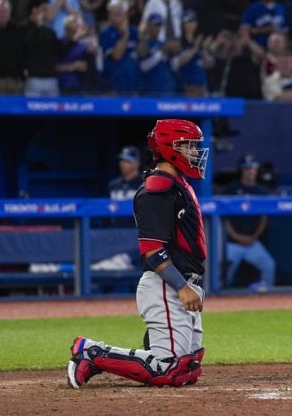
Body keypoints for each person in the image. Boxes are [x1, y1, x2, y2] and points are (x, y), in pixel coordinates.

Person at [67, 119, 208, 389]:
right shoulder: (158, 188)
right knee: (168, 370)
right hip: (168, 284)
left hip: (183, 283)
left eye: (193, 146)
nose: (194, 152)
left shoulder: (175, 183)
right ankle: (91, 352)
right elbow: (152, 251)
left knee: (187, 369)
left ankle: (155, 346)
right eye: (187, 145)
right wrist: (182, 287)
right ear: (169, 148)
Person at [222, 154, 276, 292]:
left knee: (269, 265)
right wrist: (236, 237)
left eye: (252, 168)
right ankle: (220, 297)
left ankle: (267, 296)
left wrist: (254, 237)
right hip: (232, 243)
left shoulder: (261, 192)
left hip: (253, 243)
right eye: (247, 168)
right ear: (242, 170)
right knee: (222, 271)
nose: (250, 171)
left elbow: (263, 218)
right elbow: (224, 219)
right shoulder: (231, 190)